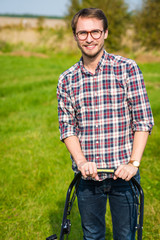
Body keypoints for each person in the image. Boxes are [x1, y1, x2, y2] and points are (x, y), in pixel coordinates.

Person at [57, 8, 154, 240]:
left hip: (125, 178)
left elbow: (142, 121)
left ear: (105, 33)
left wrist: (133, 163)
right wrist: (81, 161)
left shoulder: (127, 68)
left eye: (95, 32)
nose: (89, 38)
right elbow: (67, 128)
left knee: (126, 236)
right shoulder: (67, 79)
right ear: (75, 36)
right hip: (88, 180)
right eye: (82, 33)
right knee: (92, 236)